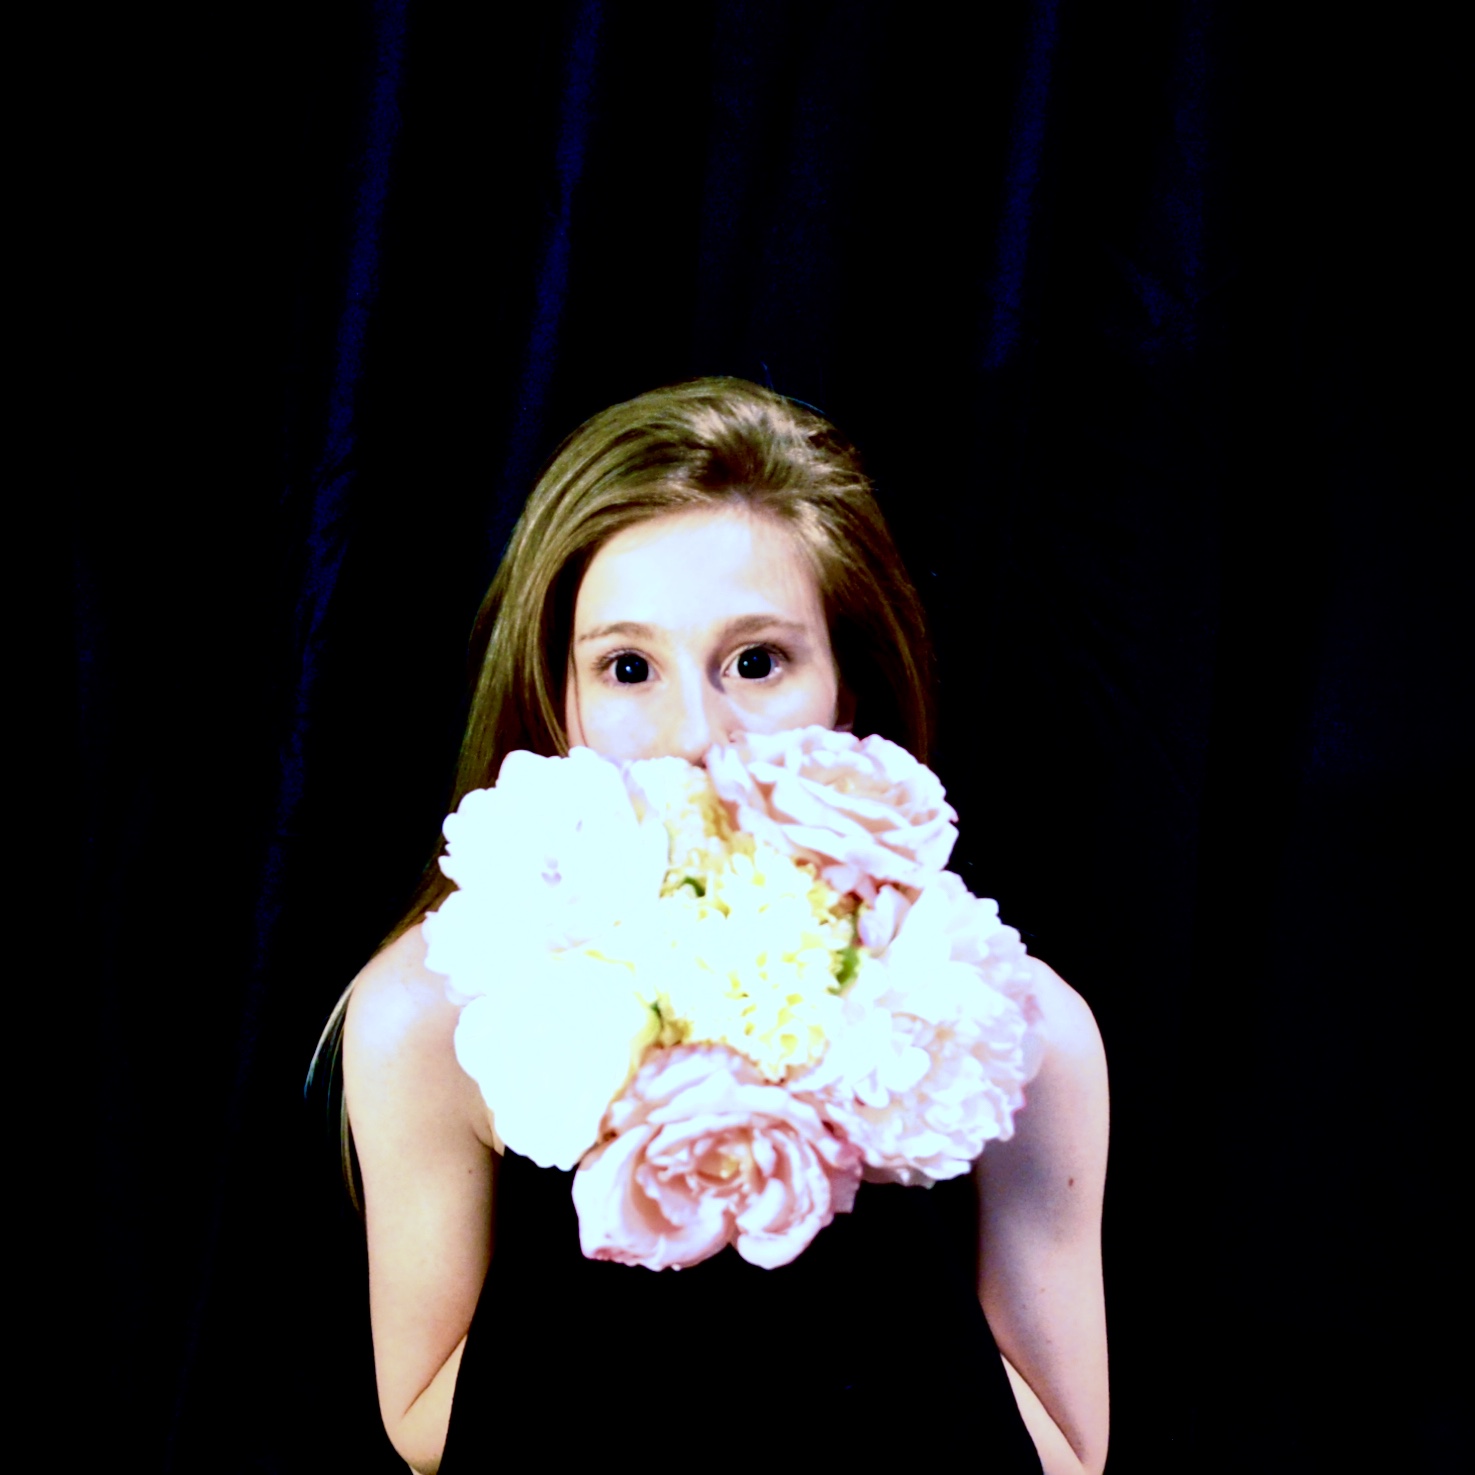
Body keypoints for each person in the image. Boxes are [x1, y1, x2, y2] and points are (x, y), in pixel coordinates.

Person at [325, 378, 1109, 1474]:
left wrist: (834, 1179)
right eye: (628, 667)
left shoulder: (1000, 1023)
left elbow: (1068, 1448)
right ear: (561, 700)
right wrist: (660, 1186)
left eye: (756, 661)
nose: (694, 733)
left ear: (845, 688)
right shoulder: (431, 1010)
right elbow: (419, 1417)